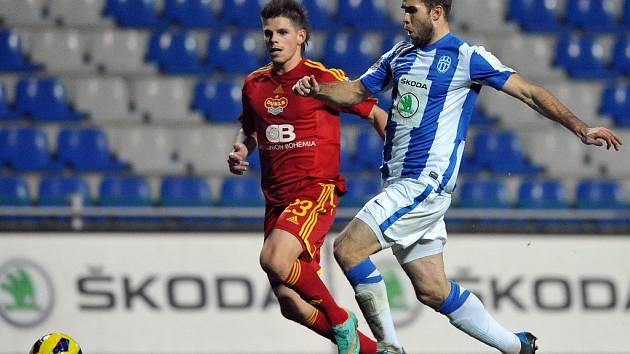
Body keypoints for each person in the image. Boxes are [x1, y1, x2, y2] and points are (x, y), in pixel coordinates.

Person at [293, 0, 623, 353]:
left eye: (412, 10)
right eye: (403, 9)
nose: (404, 18)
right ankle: (516, 347)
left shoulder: (466, 56)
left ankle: (389, 347)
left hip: (423, 184)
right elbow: (358, 90)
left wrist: (581, 128)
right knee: (433, 290)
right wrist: (320, 90)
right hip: (399, 184)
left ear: (436, 12)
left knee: (347, 249)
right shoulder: (399, 54)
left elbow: (530, 92)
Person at [227, 1, 397, 353]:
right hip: (276, 201)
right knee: (290, 302)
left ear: (301, 37)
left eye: (282, 33)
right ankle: (373, 351)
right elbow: (250, 129)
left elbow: (377, 114)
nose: (274, 39)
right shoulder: (254, 84)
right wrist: (242, 150)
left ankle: (340, 319)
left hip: (315, 190)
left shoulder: (322, 79)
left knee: (274, 259)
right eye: (268, 33)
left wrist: (398, 164)